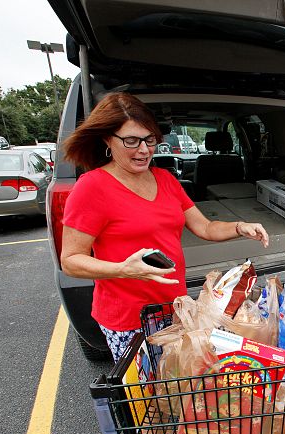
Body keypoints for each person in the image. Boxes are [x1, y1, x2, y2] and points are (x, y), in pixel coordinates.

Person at [60, 92, 269, 362]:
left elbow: (205, 227)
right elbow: (71, 261)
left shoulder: (165, 179)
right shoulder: (91, 187)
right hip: (129, 320)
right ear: (107, 140)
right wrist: (124, 269)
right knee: (145, 398)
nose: (144, 150)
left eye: (150, 140)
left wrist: (240, 226)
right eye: (131, 141)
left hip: (175, 309)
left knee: (176, 389)